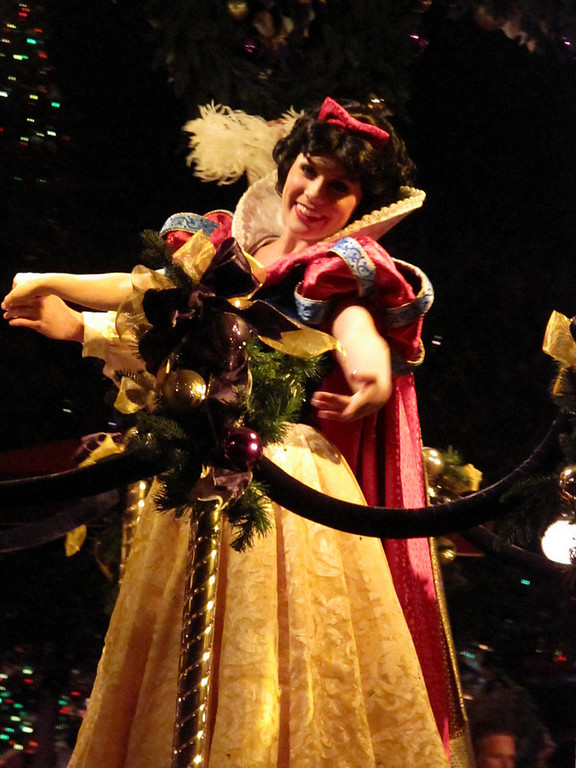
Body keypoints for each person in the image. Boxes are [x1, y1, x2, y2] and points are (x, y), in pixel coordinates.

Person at [2, 98, 468, 767]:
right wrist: (67, 306)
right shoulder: (227, 249)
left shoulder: (335, 269)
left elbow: (355, 327)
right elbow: (149, 297)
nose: (315, 193)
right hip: (200, 466)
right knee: (182, 646)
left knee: (281, 645)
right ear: (288, 166)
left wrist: (370, 378)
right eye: (310, 170)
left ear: (360, 205)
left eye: (339, 187)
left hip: (285, 474)